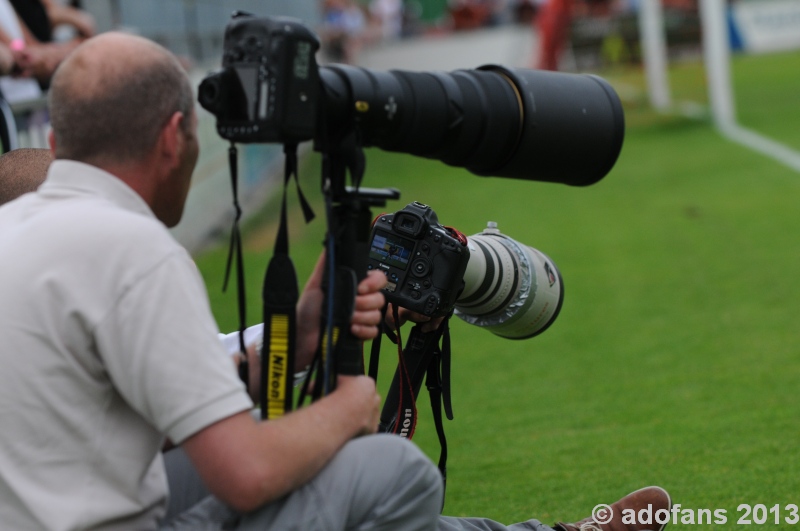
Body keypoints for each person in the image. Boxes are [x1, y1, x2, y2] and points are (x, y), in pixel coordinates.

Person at [0, 32, 671, 531]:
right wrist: (345, 411)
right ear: (175, 137)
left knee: (309, 452)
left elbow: (158, 409)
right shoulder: (134, 251)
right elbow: (247, 471)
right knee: (391, 470)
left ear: (55, 144)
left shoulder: (21, 227)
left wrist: (306, 328)